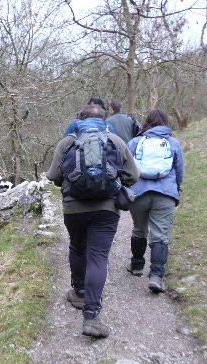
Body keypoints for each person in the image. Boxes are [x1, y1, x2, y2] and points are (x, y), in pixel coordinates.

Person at [47, 104, 139, 338]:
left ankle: (78, 292)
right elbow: (133, 175)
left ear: (80, 118)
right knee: (98, 257)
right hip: (106, 209)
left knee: (77, 248)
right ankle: (91, 317)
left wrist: (71, 181)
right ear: (104, 119)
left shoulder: (67, 142)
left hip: (73, 208)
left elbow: (53, 176)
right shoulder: (116, 141)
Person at [126, 109, 184, 294]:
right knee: (160, 235)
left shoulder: (135, 142)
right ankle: (156, 276)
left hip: (139, 194)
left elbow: (126, 168)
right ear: (166, 122)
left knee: (139, 229)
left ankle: (137, 266)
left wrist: (128, 187)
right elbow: (179, 170)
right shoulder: (173, 142)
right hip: (165, 194)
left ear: (147, 122)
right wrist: (176, 188)